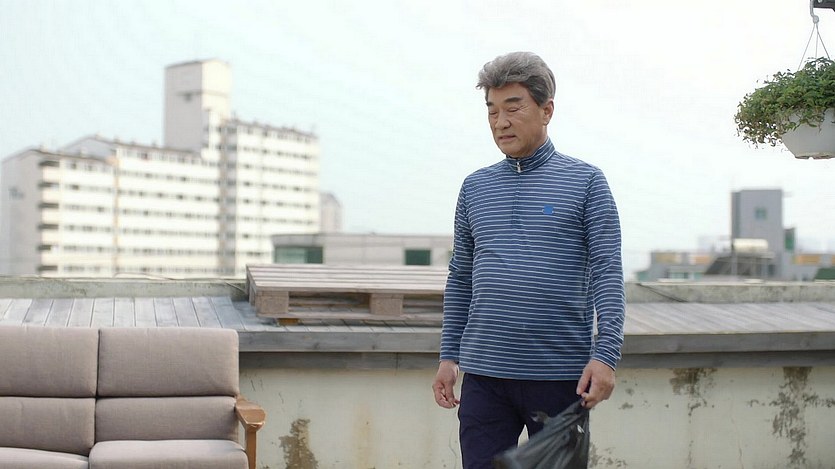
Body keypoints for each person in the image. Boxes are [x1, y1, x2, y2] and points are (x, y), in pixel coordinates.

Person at [431, 51, 626, 468]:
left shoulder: (587, 182)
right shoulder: (474, 187)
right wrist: (449, 357)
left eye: (513, 107)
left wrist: (606, 355)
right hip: (484, 376)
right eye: (492, 110)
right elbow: (461, 276)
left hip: (560, 378)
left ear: (546, 110)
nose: (500, 122)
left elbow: (608, 273)